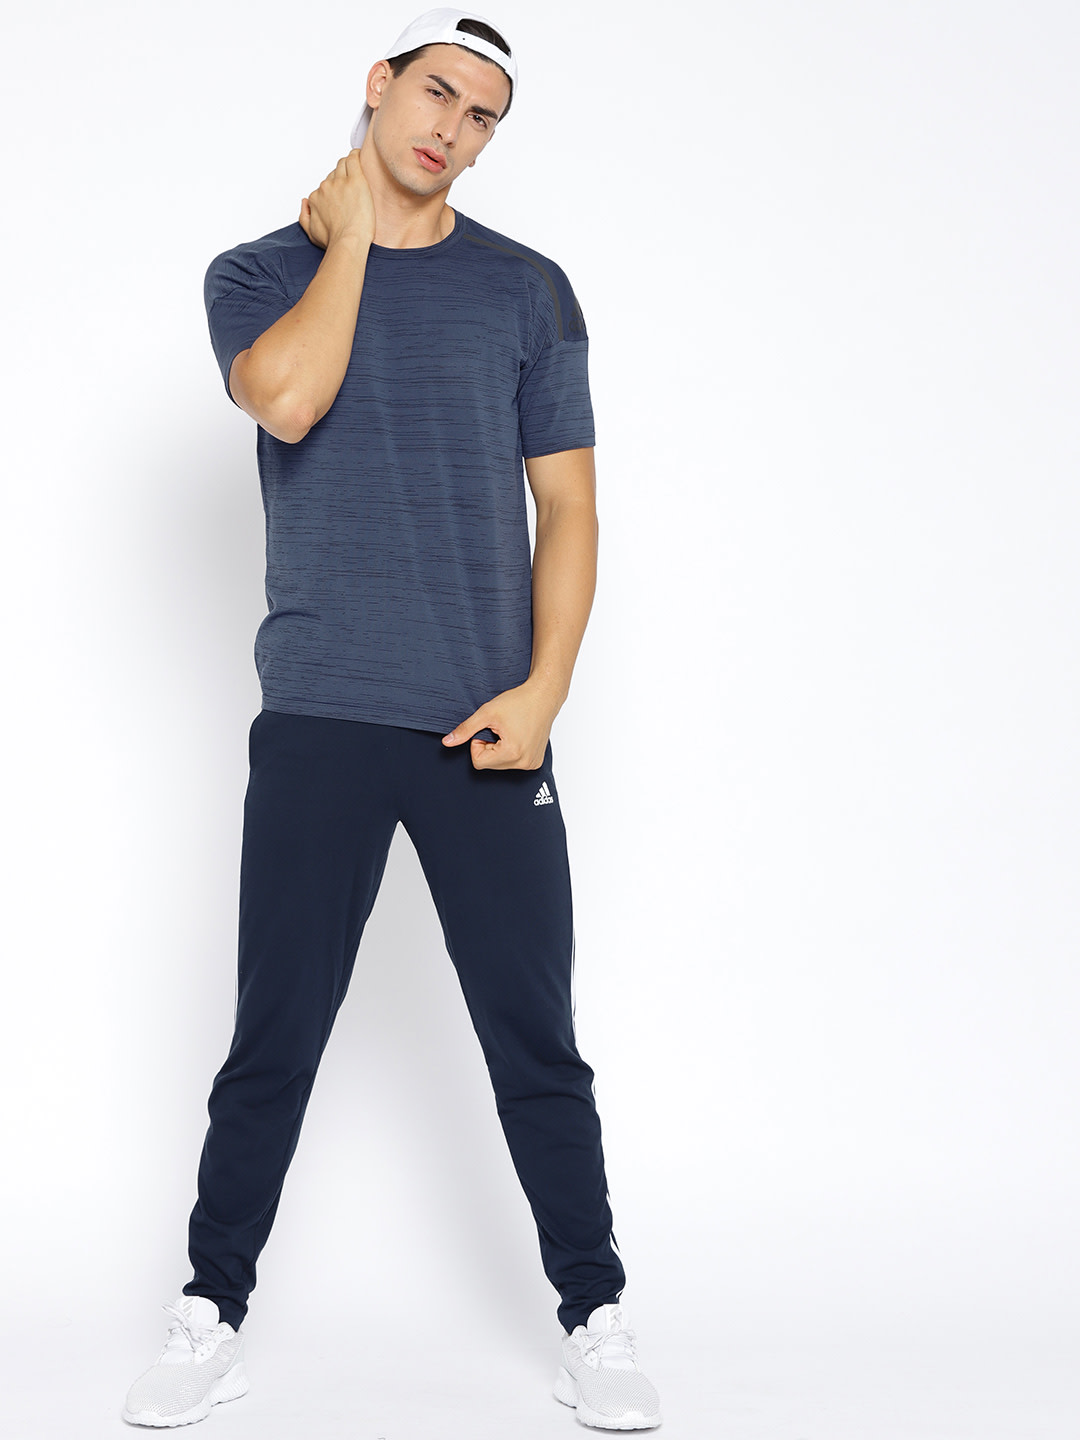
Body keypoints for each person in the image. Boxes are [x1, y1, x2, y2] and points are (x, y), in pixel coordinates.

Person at [122, 9, 660, 1431]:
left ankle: (595, 1314)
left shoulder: (529, 291)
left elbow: (571, 506)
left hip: (485, 723)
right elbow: (290, 402)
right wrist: (353, 237)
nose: (452, 131)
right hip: (320, 711)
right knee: (275, 1035)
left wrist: (544, 692)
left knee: (534, 1039)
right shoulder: (258, 273)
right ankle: (210, 1313)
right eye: (436, 95)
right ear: (381, 85)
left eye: (483, 117)